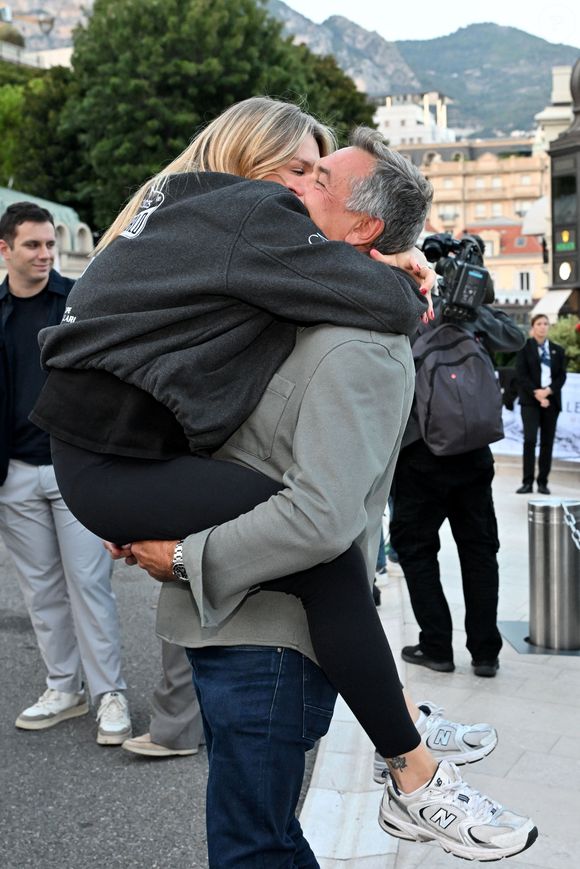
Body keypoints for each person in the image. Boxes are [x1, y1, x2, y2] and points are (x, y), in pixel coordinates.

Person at [44, 99, 536, 864]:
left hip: (113, 463)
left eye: (318, 173)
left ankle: (406, 739)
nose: (303, 188)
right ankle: (412, 766)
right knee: (325, 542)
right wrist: (393, 273)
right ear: (254, 161)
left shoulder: (189, 211)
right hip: (113, 467)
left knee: (321, 544)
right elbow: (388, 305)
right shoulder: (249, 213)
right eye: (299, 170)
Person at [0, 202, 131, 745]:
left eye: (50, 244)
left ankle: (109, 694)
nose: (45, 254)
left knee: (90, 585)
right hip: (12, 473)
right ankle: (64, 688)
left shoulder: (73, 301)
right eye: (32, 245)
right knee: (41, 590)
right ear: (4, 249)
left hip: (72, 468)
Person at [390, 293, 525, 680]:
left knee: (415, 550)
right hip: (474, 453)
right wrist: (472, 308)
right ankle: (485, 654)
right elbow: (514, 338)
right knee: (480, 551)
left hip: (420, 454)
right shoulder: (470, 318)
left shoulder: (402, 305)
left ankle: (436, 647)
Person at [515, 313, 567, 495]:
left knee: (547, 442)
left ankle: (543, 482)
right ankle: (527, 482)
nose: (543, 327)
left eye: (546, 323)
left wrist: (549, 391)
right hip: (531, 401)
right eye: (539, 323)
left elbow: (561, 376)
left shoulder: (557, 350)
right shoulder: (524, 348)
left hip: (551, 402)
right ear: (533, 326)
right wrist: (537, 394)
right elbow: (521, 375)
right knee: (529, 440)